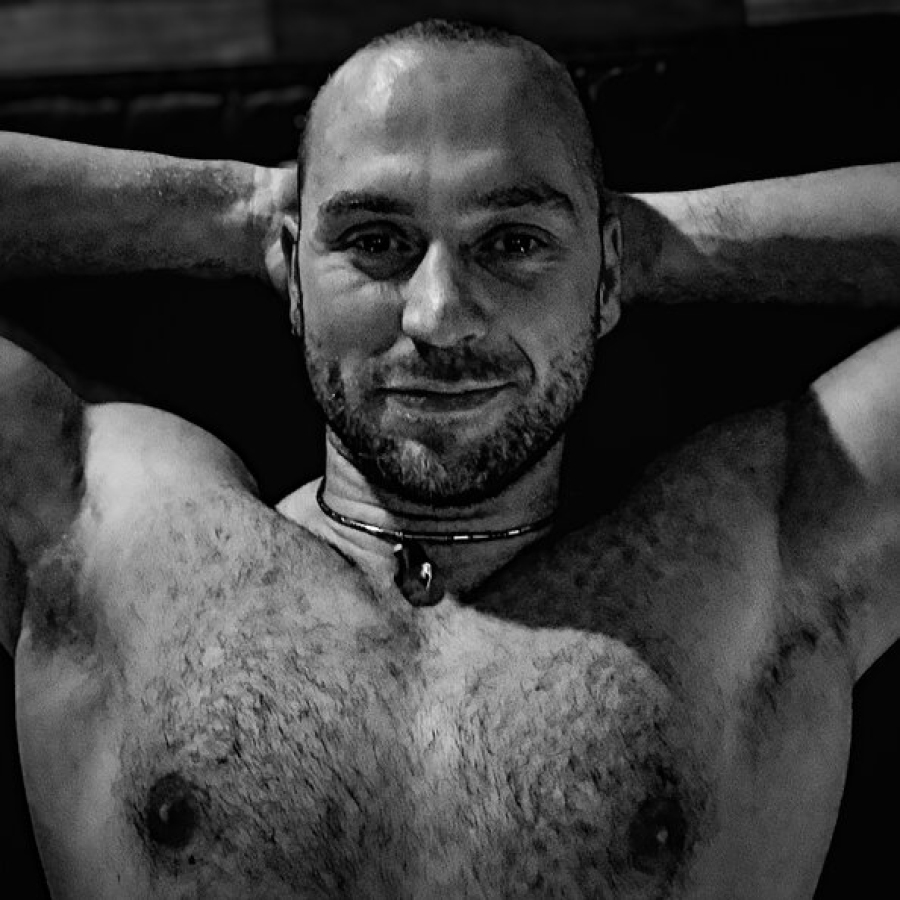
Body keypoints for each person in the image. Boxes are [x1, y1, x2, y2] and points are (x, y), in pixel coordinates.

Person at [2, 17, 900, 899]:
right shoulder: (114, 536)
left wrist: (664, 242)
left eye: (513, 243)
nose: (437, 317)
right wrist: (237, 211)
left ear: (608, 276)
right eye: (375, 241)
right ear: (291, 267)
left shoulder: (758, 560)